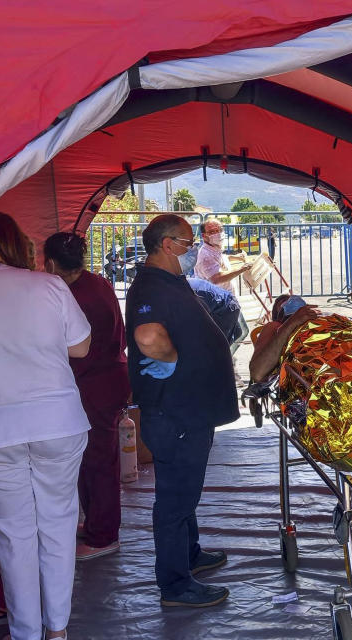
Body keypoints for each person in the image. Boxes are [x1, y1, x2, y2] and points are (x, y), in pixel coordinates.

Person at [0, 212, 90, 640]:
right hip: (56, 422)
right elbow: (80, 347)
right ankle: (58, 630)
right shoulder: (49, 286)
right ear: (22, 246)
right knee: (59, 525)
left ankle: (26, 632)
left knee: (13, 535)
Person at [125, 214, 240, 607]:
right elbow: (148, 335)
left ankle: (189, 554)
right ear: (167, 244)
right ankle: (175, 583)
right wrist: (172, 358)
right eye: (187, 243)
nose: (192, 250)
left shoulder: (169, 282)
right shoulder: (150, 285)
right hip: (174, 410)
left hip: (190, 408)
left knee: (185, 492)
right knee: (174, 499)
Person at [44, 232, 131, 559]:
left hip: (94, 385)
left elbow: (71, 349)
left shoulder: (72, 295)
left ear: (50, 263)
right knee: (90, 459)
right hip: (108, 378)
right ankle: (95, 522)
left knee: (98, 462)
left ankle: (103, 535)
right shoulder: (98, 283)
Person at [195, 218, 252, 369]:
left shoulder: (214, 249)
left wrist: (236, 258)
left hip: (226, 301)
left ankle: (221, 362)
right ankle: (221, 364)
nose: (217, 234)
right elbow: (216, 277)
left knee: (235, 333)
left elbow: (222, 258)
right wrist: (242, 268)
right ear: (204, 236)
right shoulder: (205, 255)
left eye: (219, 230)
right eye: (212, 231)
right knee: (238, 332)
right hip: (218, 305)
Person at [187, 276, 242, 351]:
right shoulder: (178, 287)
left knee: (216, 349)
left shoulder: (185, 292)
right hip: (222, 304)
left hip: (225, 308)